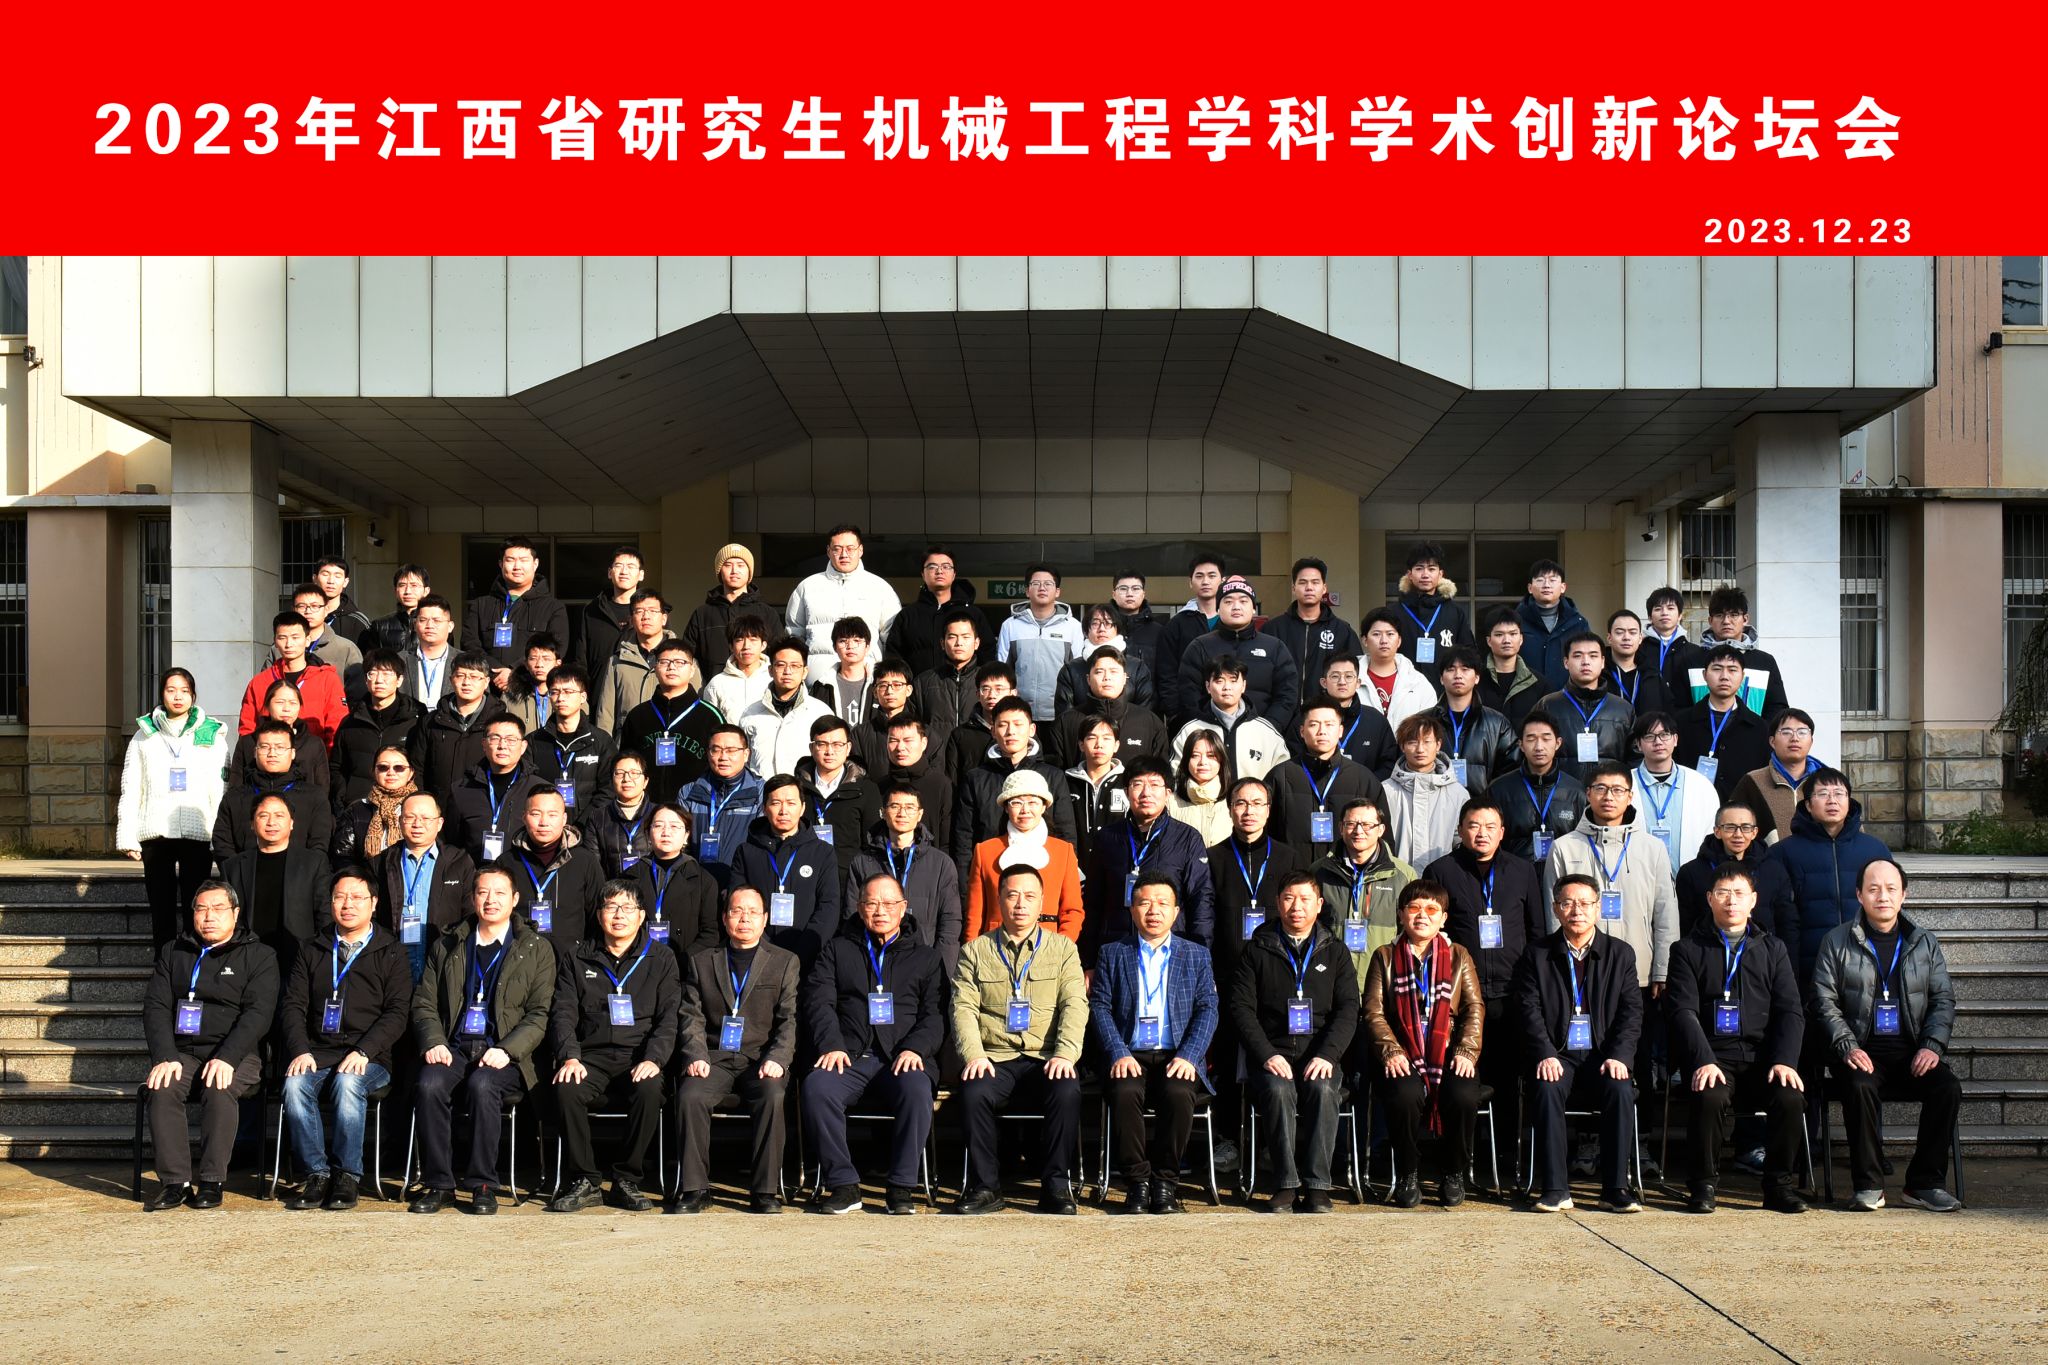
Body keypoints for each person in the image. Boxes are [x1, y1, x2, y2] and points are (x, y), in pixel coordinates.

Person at [1812, 858, 1963, 1213]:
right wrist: (1847, 1046)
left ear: (1904, 895)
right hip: (1860, 1052)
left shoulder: (1924, 942)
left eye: (1891, 889)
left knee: (1947, 1088)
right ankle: (1869, 1185)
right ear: (1859, 895)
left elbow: (1942, 1000)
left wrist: (1932, 1046)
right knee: (1859, 1084)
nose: (1883, 896)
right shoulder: (1836, 941)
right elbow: (1823, 1001)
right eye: (1874, 889)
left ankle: (1924, 1184)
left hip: (1911, 1053)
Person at [407, 867, 557, 1215]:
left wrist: (507, 1049)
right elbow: (424, 1003)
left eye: (500, 893)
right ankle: (439, 1184)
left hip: (506, 1054)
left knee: (482, 1084)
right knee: (429, 1084)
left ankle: (482, 1184)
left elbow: (540, 1014)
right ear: (473, 898)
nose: (491, 900)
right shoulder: (448, 944)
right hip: (455, 1047)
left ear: (515, 899)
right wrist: (434, 1041)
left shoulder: (536, 949)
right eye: (483, 893)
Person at [1663, 865, 1809, 1215]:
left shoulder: (1773, 948)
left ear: (1753, 901)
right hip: (1713, 1056)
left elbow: (1790, 1010)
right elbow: (1682, 1012)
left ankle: (1779, 1186)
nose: (1731, 901)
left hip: (1762, 1057)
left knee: (1790, 1097)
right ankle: (1703, 1185)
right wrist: (1702, 1060)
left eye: (1739, 894)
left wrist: (1784, 1060)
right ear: (1709, 899)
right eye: (1723, 893)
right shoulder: (1686, 949)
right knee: (1709, 1095)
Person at [802, 873, 949, 1215]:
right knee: (817, 1088)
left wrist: (915, 1048)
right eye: (871, 903)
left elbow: (936, 1014)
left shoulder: (926, 957)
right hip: (850, 1055)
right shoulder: (837, 950)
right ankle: (843, 1184)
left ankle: (901, 1186)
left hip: (903, 1057)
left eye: (888, 903)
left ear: (904, 907)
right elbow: (818, 1003)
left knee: (917, 1090)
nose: (880, 910)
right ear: (859, 907)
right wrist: (831, 1044)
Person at [951, 865, 1089, 1215]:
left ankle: (1055, 1185)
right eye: (1012, 895)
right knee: (973, 1092)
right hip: (994, 1057)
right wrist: (974, 1055)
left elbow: (1075, 1004)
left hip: (1046, 1057)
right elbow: (963, 1007)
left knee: (1066, 1090)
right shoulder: (975, 950)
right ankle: (985, 1187)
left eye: (1029, 896)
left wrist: (1065, 1054)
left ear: (1042, 901)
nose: (1020, 904)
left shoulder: (1063, 949)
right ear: (999, 900)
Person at [1426, 796, 1546, 1189]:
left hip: (1511, 994)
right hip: (1460, 998)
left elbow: (1536, 931)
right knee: (1461, 1079)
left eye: (1490, 826)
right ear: (1461, 830)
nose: (1482, 833)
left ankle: (1508, 1157)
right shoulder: (1441, 871)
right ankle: (1461, 1159)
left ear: (1502, 832)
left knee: (1509, 1080)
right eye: (1474, 825)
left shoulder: (1522, 870)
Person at [140, 881, 279, 1211]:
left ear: (235, 913)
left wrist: (228, 1057)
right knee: (162, 1088)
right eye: (201, 909)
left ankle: (212, 1180)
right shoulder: (174, 951)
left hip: (237, 1053)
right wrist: (165, 1056)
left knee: (219, 1087)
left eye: (218, 909)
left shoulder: (259, 955)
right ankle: (175, 1182)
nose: (209, 916)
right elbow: (156, 1006)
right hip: (184, 1053)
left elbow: (258, 1014)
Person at [1543, 762, 1679, 1098]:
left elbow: (1665, 912)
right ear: (1588, 794)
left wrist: (1662, 969)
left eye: (1618, 790)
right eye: (1601, 789)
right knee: (1585, 1059)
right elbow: (1554, 913)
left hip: (1640, 973)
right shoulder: (1565, 847)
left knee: (1638, 1057)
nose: (1609, 796)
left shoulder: (1652, 848)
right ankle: (1587, 1128)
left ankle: (1640, 1128)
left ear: (1630, 796)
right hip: (1579, 971)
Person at [547, 880, 684, 1214]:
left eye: (627, 908)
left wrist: (654, 1059)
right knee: (566, 1088)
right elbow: (563, 1013)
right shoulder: (578, 957)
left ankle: (627, 1179)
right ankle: (585, 1180)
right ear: (599, 915)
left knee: (649, 1089)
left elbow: (669, 1018)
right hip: (590, 1057)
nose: (619, 915)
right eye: (611, 907)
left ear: (642, 916)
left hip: (638, 1056)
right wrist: (570, 1057)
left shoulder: (661, 957)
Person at [279, 870, 411, 1211]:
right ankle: (316, 1174)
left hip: (371, 1057)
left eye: (357, 897)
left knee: (349, 1082)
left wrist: (364, 1050)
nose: (347, 904)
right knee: (294, 1085)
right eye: (340, 897)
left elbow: (397, 1012)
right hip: (319, 1052)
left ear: (374, 903)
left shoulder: (391, 950)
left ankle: (347, 1175)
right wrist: (300, 1050)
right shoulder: (312, 947)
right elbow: (293, 1005)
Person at [1091, 875, 1221, 1214]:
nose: (1153, 911)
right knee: (1123, 1091)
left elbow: (1208, 1008)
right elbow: (1100, 1007)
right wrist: (1118, 1052)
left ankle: (1165, 1183)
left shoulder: (1195, 955)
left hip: (1177, 1053)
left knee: (1178, 1092)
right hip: (1129, 1052)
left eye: (1163, 903)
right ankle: (1137, 1183)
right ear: (1132, 909)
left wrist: (1189, 1055)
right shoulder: (1112, 953)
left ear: (1176, 912)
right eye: (1145, 903)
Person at [1232, 871, 1360, 1213]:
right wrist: (1266, 1054)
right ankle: (1285, 1184)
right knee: (1278, 1091)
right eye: (1289, 898)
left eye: (1305, 899)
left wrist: (1328, 1055)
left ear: (1319, 905)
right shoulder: (1257, 950)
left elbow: (1349, 1009)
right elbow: (1241, 1008)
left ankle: (1317, 1185)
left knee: (1323, 1089)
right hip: (1272, 1053)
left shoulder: (1336, 951)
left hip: (1320, 1052)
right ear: (1278, 903)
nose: (1296, 907)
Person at [1515, 874, 1645, 1213]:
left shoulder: (1620, 953)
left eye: (1585, 903)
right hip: (1558, 1054)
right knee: (1545, 1087)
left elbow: (1632, 1012)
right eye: (1568, 903)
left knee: (1620, 1089)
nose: (1577, 911)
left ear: (1598, 908)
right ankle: (1555, 1188)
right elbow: (1528, 1009)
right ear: (1555, 909)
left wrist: (1620, 1056)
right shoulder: (1537, 954)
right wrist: (1544, 1053)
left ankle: (1615, 1189)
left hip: (1604, 1054)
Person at [670, 885, 798, 1214]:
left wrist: (777, 1059)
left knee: (773, 1095)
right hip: (714, 1058)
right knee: (690, 1095)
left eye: (753, 912)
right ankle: (695, 1189)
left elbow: (789, 1019)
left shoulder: (785, 961)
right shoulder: (702, 961)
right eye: (737, 911)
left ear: (765, 918)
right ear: (725, 918)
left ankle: (765, 1191)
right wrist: (696, 1055)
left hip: (760, 1059)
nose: (744, 919)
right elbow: (691, 1016)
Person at [1362, 880, 1485, 1208]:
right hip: (1403, 1052)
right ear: (1401, 914)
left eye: (1431, 909)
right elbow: (1373, 1011)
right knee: (1404, 1094)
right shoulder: (1384, 956)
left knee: (1462, 1095)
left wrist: (1467, 1050)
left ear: (1443, 918)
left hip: (1448, 1051)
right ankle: (1407, 1172)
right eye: (1414, 908)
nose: (1422, 916)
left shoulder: (1459, 955)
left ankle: (1453, 1171)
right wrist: (1391, 1050)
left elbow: (1474, 1007)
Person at [118, 667, 230, 946]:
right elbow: (131, 786)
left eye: (184, 691)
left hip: (198, 833)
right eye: (171, 690)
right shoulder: (144, 734)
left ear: (193, 695)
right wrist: (127, 836)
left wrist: (219, 835)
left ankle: (193, 960)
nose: (178, 697)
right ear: (162, 694)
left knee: (197, 904)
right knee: (161, 905)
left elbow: (220, 790)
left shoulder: (211, 733)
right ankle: (163, 959)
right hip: (156, 832)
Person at [1767, 767, 1892, 991]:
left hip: (1864, 960)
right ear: (1808, 804)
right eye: (1823, 794)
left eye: (1839, 793)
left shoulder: (1875, 850)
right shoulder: (1783, 852)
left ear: (1849, 801)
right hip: (1806, 964)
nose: (1832, 800)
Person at [1083, 759, 1216, 960]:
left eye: (1155, 785)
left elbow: (1200, 900)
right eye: (1138, 784)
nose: (1146, 793)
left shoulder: (1187, 838)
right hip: (1116, 950)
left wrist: (1200, 957)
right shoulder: (1107, 838)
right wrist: (1089, 960)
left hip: (1171, 951)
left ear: (1168, 793)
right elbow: (1093, 903)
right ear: (1126, 792)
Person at [951, 696, 1080, 873]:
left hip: (1045, 873)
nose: (1011, 731)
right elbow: (964, 839)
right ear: (993, 731)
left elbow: (1066, 834)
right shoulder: (976, 778)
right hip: (991, 873)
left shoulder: (1054, 776)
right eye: (1003, 725)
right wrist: (966, 883)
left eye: (1018, 724)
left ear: (1032, 729)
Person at [845, 780, 963, 971]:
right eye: (895, 806)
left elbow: (950, 924)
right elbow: (852, 918)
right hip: (874, 964)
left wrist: (941, 971)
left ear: (920, 814)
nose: (902, 813)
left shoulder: (941, 864)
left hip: (924, 965)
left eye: (909, 807)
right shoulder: (863, 862)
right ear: (883, 812)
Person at [730, 774, 841, 966]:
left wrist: (803, 952)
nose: (783, 811)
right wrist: (762, 949)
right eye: (776, 803)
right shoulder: (747, 852)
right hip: (757, 955)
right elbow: (737, 902)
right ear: (764, 808)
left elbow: (828, 907)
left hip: (808, 957)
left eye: (791, 803)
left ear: (802, 808)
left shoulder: (822, 852)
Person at [965, 770, 1085, 943]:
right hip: (994, 945)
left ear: (1044, 807)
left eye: (1033, 802)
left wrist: (1059, 947)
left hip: (1048, 945)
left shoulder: (1063, 851)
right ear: (1006, 807)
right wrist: (972, 951)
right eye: (1016, 803)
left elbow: (1072, 911)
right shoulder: (985, 851)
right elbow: (974, 914)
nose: (1025, 810)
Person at [1175, 576, 1300, 732]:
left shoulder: (1275, 647)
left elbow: (1287, 696)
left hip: (1263, 735)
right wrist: (1208, 731)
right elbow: (1188, 695)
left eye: (1243, 601)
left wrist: (1267, 729)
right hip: (1210, 736)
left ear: (1253, 608)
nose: (1236, 607)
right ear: (1218, 609)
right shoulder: (1200, 646)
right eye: (1228, 602)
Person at [372, 792, 476, 980]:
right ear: (400, 821)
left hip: (443, 966)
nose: (417, 824)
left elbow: (470, 915)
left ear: (440, 823)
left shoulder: (459, 862)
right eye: (410, 817)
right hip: (393, 968)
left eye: (426, 818)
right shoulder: (382, 862)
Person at [1270, 697, 1383, 863]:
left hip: (1345, 875)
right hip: (1293, 875)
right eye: (1314, 724)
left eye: (1329, 724)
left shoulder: (1363, 778)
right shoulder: (1281, 776)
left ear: (1340, 730)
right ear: (1302, 731)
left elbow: (1382, 838)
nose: (1322, 731)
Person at [1311, 796, 1417, 968]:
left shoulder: (1403, 875)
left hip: (1382, 973)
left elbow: (1411, 930)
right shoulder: (1319, 872)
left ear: (1381, 829)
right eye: (1351, 824)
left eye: (1367, 825)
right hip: (1330, 972)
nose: (1358, 831)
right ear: (1340, 828)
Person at [784, 523, 901, 678]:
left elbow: (893, 639)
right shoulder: (807, 587)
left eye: (850, 548)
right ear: (828, 551)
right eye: (837, 549)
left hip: (869, 679)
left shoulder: (880, 588)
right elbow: (794, 635)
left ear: (860, 550)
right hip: (817, 678)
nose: (844, 554)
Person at [616, 639, 721, 802]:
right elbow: (626, 762)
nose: (672, 667)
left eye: (680, 662)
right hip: (647, 807)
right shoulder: (638, 716)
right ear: (655, 667)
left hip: (695, 805)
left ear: (692, 669)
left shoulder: (710, 716)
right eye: (664, 662)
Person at [499, 788, 605, 949]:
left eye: (552, 815)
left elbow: (598, 916)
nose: (544, 822)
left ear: (564, 819)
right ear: (524, 817)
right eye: (536, 814)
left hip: (571, 958)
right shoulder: (506, 863)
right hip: (520, 957)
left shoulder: (585, 861)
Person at [462, 535, 569, 693]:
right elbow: (469, 643)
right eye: (510, 560)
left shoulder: (553, 608)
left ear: (535, 564)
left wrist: (514, 672)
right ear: (501, 564)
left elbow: (557, 647)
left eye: (523, 560)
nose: (517, 566)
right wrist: (495, 671)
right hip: (487, 689)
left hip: (530, 691)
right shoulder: (481, 605)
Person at [212, 721, 333, 860]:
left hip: (300, 872)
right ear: (255, 752)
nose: (272, 753)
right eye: (265, 747)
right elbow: (223, 844)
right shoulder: (234, 798)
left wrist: (302, 872)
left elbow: (319, 846)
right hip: (245, 872)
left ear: (293, 753)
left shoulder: (314, 797)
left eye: (280, 747)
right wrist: (240, 870)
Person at [1676, 802, 1797, 939]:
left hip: (1763, 949)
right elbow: (1685, 926)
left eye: (1746, 828)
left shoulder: (1774, 871)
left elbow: (1787, 922)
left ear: (1754, 832)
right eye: (1730, 827)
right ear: (1717, 831)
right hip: (1707, 949)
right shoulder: (1691, 872)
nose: (1738, 834)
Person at [1674, 644, 1773, 802]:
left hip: (1742, 811)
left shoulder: (1759, 727)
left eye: (1732, 670)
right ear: (1704, 675)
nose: (1724, 676)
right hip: (1693, 806)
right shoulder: (1681, 723)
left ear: (1742, 676)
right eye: (1717, 669)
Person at [1532, 633, 1636, 782]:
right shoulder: (1548, 705)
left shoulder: (1622, 709)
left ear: (1602, 662)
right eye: (1578, 656)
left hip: (1608, 793)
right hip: (1561, 792)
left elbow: (1635, 759)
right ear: (1566, 662)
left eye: (1593, 656)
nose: (1585, 662)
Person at [1170, 655, 1291, 781]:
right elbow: (1177, 776)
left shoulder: (1266, 732)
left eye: (1233, 681)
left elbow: (1283, 777)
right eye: (1219, 681)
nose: (1227, 687)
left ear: (1243, 686)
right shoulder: (1190, 730)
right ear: (1208, 687)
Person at [1677, 585, 1789, 720]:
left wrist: (1759, 730)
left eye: (1734, 615)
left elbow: (1777, 709)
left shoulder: (1765, 662)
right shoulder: (1691, 661)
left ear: (1745, 619)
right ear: (1710, 621)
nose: (1726, 621)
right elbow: (1679, 709)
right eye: (1719, 615)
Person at [1631, 711, 1723, 875]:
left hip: (1690, 877)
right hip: (1638, 875)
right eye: (1649, 736)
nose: (1658, 742)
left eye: (1664, 735)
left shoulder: (1700, 785)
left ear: (1675, 740)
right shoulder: (1624, 785)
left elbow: (1712, 836)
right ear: (1638, 744)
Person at [446, 717, 547, 866]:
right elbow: (452, 843)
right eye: (495, 738)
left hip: (523, 873)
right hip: (475, 875)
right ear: (484, 744)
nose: (502, 746)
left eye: (511, 740)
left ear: (523, 746)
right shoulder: (462, 790)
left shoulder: (540, 791)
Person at [238, 611, 348, 747]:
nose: (289, 644)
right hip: (270, 757)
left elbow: (336, 726)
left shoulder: (327, 679)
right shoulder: (259, 682)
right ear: (275, 641)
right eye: (282, 638)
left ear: (307, 640)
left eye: (295, 637)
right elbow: (247, 729)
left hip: (314, 757)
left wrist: (324, 758)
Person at [409, 652, 508, 803]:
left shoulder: (500, 722)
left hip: (484, 806)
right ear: (451, 679)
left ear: (486, 682)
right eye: (460, 676)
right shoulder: (432, 721)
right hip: (438, 806)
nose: (466, 682)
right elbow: (418, 767)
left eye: (474, 677)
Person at [623, 803, 722, 954]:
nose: (666, 832)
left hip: (685, 961)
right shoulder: (631, 876)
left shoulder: (704, 880)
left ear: (686, 835)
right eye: (658, 826)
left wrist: (684, 960)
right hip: (640, 960)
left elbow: (710, 933)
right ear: (648, 833)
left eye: (674, 826)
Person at [331, 650, 424, 806]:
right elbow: (337, 767)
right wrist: (343, 799)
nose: (379, 680)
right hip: (358, 806)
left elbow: (422, 769)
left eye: (387, 674)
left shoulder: (416, 721)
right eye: (372, 674)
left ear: (399, 680)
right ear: (366, 680)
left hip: (403, 808)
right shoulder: (351, 722)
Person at [1049, 645, 1167, 769]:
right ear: (1088, 679)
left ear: (1124, 678)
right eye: (1099, 672)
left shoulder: (1149, 723)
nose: (1107, 677)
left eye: (1113, 671)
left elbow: (1160, 772)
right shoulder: (1066, 722)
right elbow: (1054, 774)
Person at [889, 543, 995, 677]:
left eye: (946, 566)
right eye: (932, 567)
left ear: (954, 574)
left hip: (966, 688)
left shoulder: (973, 614)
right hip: (917, 688)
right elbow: (894, 657)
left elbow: (987, 654)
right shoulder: (908, 615)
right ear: (923, 574)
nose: (939, 571)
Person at [1267, 557, 1363, 704]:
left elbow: (1353, 673)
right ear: (1293, 588)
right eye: (1303, 582)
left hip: (1326, 711)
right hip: (1281, 710)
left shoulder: (1342, 631)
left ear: (1324, 588)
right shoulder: (1273, 629)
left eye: (1315, 582)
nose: (1309, 587)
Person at [678, 726, 764, 888]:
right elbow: (680, 846)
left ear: (746, 754)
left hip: (742, 886)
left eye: (731, 750)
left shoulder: (760, 792)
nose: (723, 757)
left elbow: (762, 847)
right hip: (696, 885)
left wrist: (740, 885)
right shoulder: (689, 792)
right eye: (716, 750)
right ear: (707, 753)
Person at [523, 662, 615, 815]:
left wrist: (584, 824)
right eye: (554, 692)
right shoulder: (534, 741)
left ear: (583, 697)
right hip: (545, 823)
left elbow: (608, 790)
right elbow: (524, 788)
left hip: (589, 825)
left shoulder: (601, 741)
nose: (560, 698)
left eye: (568, 692)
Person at [1492, 713, 1587, 860]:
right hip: (1515, 872)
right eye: (1531, 739)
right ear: (1521, 745)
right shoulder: (1499, 790)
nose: (1539, 747)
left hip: (1563, 872)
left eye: (1546, 739)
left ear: (1558, 743)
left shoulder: (1576, 791)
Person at [997, 563, 1085, 722]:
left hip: (1061, 714)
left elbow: (1078, 673)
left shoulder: (1073, 627)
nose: (1042, 588)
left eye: (1048, 584)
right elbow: (1003, 672)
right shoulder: (1010, 626)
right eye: (1036, 583)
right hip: (1020, 715)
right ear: (1027, 591)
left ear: (1057, 591)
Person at [738, 636, 834, 779]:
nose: (787, 671)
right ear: (770, 670)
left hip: (804, 790)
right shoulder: (751, 713)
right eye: (781, 665)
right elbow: (743, 760)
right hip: (762, 791)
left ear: (805, 672)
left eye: (795, 666)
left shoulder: (820, 712)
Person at [795, 715, 881, 876]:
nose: (830, 752)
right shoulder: (796, 789)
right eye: (822, 744)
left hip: (849, 878)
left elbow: (872, 844)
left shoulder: (866, 789)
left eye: (837, 744)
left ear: (848, 748)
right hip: (804, 874)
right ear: (812, 748)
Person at [1385, 713, 1469, 871]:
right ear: (1402, 746)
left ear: (1438, 745)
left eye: (1427, 742)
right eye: (1412, 742)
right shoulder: (1386, 790)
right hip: (1396, 878)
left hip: (1443, 878)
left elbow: (1462, 842)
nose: (1420, 749)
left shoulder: (1458, 793)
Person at [1731, 708, 1824, 844]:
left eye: (1802, 732)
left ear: (1811, 741)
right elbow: (1732, 828)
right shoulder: (1752, 782)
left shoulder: (1828, 783)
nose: (1795, 738)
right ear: (1772, 741)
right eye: (1786, 732)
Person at [1390, 541, 1475, 687]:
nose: (1425, 574)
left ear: (1440, 574)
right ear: (1409, 574)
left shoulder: (1454, 612)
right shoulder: (1394, 612)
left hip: (1445, 691)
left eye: (1431, 569)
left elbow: (1469, 654)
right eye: (1419, 568)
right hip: (1403, 690)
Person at [680, 543, 770, 680]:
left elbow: (778, 656)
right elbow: (686, 657)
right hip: (712, 689)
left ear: (749, 572)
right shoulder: (703, 614)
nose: (734, 571)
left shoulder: (766, 613)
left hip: (759, 689)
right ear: (719, 571)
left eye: (740, 565)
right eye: (728, 565)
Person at [226, 679, 332, 792]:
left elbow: (322, 787)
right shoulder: (248, 742)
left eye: (293, 703)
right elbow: (236, 786)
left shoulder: (313, 744)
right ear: (267, 705)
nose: (286, 709)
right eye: (280, 702)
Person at [1432, 647, 1513, 794]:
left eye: (1465, 669)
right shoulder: (1425, 722)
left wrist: (1488, 801)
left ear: (1477, 678)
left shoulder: (1497, 723)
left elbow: (1510, 772)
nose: (1458, 675)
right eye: (1451, 669)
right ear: (1441, 679)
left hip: (1483, 805)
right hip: (1436, 803)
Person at [594, 590, 676, 736]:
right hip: (628, 742)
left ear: (663, 618)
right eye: (639, 611)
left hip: (670, 741)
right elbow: (605, 714)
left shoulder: (682, 659)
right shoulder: (617, 660)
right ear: (631, 620)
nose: (646, 616)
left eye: (652, 611)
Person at [1052, 605, 1157, 717]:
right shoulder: (1071, 670)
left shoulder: (1137, 667)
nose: (1102, 629)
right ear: (1086, 631)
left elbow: (1144, 713)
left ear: (1117, 629)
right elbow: (1066, 717)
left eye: (1108, 623)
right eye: (1095, 623)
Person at [1308, 654, 1399, 778]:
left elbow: (1389, 763)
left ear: (1358, 683)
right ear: (1324, 682)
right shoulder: (1308, 718)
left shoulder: (1375, 720)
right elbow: (1296, 761)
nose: (1342, 682)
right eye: (1335, 676)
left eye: (1349, 676)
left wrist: (1367, 785)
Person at [331, 745, 419, 863]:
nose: (391, 772)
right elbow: (343, 857)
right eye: (383, 767)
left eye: (399, 768)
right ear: (373, 771)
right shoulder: (356, 810)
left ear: (411, 772)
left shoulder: (423, 807)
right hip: (365, 873)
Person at [578, 545, 648, 690]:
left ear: (641, 575)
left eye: (631, 566)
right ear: (610, 573)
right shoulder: (592, 611)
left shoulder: (651, 611)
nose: (624, 571)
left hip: (639, 693)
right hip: (598, 691)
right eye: (619, 566)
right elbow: (580, 660)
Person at [1514, 559, 1590, 692]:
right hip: (1525, 695)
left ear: (1563, 587)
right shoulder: (1515, 622)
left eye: (1552, 580)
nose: (1546, 585)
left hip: (1568, 696)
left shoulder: (1578, 623)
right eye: (1540, 580)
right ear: (1530, 588)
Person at [913, 607, 987, 739]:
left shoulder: (987, 680)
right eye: (952, 637)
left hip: (977, 750)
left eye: (965, 637)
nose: (959, 643)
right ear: (942, 643)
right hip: (936, 751)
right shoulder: (923, 682)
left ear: (976, 643)